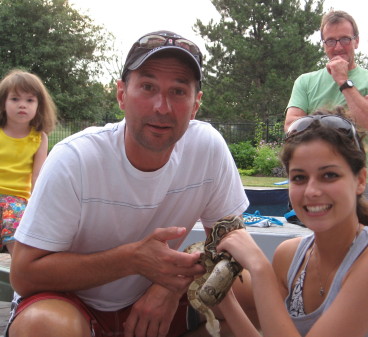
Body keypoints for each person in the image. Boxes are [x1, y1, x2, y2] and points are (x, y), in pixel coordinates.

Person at [6, 30, 249, 337]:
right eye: (148, 87)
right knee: (45, 326)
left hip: (151, 302)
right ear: (121, 94)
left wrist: (169, 286)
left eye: (178, 91)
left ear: (196, 104)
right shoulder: (75, 159)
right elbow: (24, 275)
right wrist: (132, 259)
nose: (162, 106)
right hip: (73, 302)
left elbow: (232, 243)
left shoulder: (207, 148)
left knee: (248, 291)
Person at [215, 111, 368, 336]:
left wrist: (259, 268)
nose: (311, 191)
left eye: (329, 175)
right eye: (299, 177)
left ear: (360, 181)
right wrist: (224, 299)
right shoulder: (289, 256)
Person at [284, 10, 368, 200]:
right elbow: (291, 128)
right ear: (324, 45)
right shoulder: (305, 82)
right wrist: (354, 113)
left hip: (357, 179)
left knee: (358, 231)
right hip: (311, 178)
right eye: (330, 41)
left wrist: (343, 82)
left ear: (356, 41)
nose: (338, 47)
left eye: (345, 39)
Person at [0, 69, 57, 255]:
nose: (22, 105)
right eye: (15, 99)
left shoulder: (39, 138)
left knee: (15, 222)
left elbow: (38, 176)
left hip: (18, 199)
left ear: (38, 106)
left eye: (29, 100)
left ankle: (18, 267)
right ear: (3, 103)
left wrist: (38, 206)